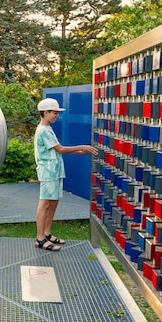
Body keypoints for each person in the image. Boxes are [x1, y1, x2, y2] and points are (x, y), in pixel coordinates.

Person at [34, 98, 98, 251]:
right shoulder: (43, 130)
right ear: (46, 112)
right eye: (55, 112)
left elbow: (57, 151)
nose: (57, 115)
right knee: (45, 203)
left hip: (54, 170)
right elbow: (60, 149)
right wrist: (82, 147)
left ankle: (47, 233)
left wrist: (80, 152)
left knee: (53, 202)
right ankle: (40, 238)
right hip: (48, 171)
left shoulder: (48, 128)